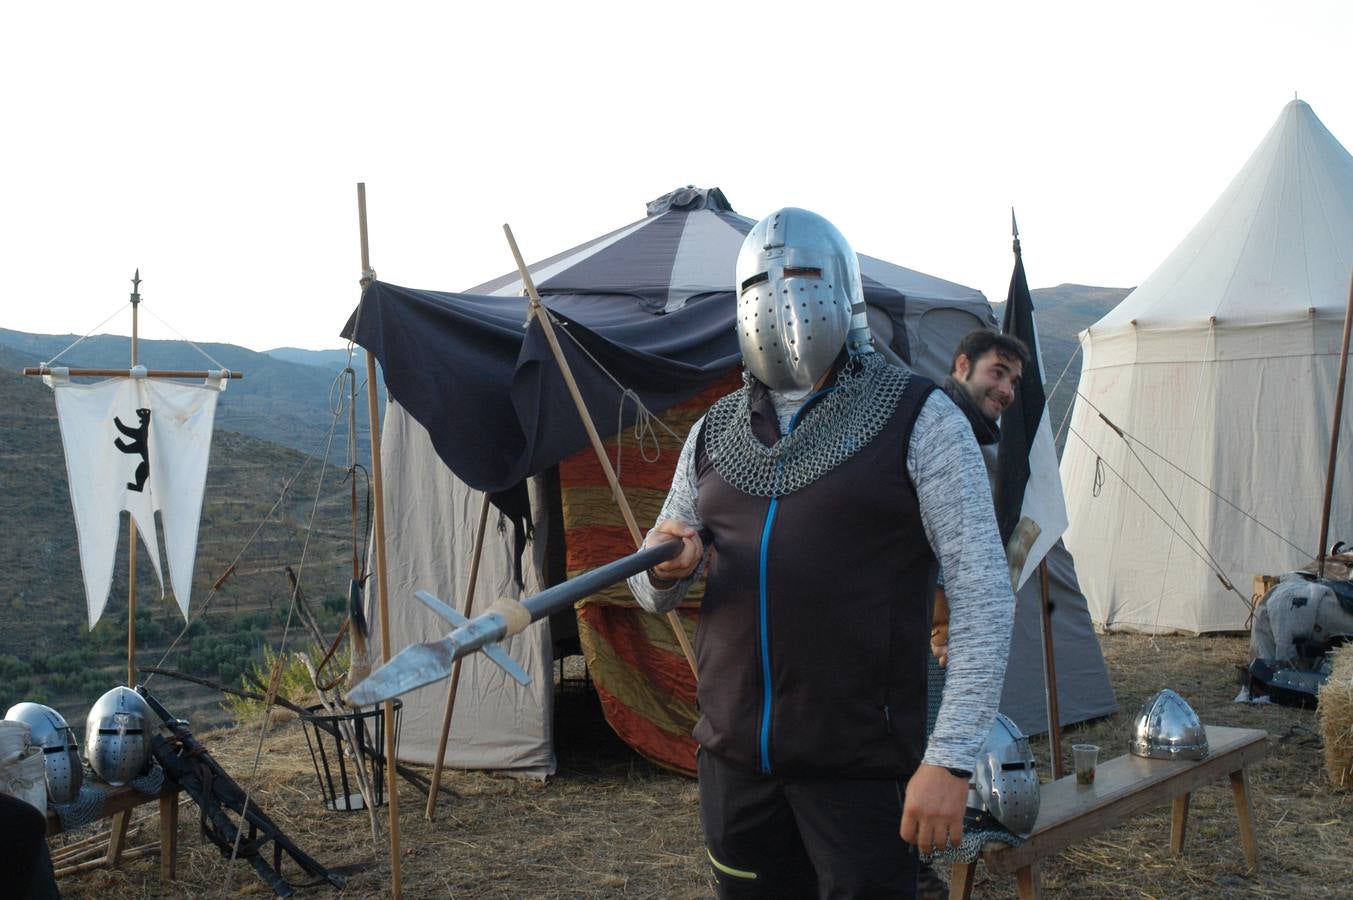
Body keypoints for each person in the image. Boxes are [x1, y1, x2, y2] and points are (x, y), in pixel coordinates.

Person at [628, 208, 1016, 898]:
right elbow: (654, 578)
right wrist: (663, 567)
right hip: (734, 763)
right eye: (759, 284)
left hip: (860, 768)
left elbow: (982, 593)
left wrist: (951, 760)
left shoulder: (918, 417)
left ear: (843, 289)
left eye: (803, 277)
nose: (781, 299)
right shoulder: (713, 433)